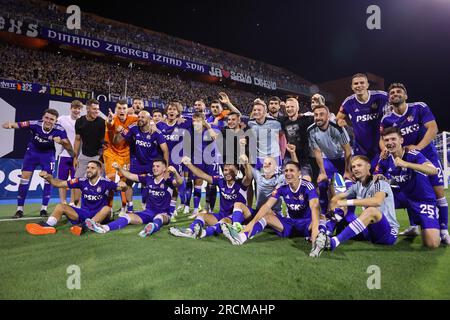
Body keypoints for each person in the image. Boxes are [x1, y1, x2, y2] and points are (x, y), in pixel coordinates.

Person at [380, 83, 448, 243]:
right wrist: (384, 149)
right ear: (389, 99)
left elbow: (433, 128)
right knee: (408, 189)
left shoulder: (419, 107)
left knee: (439, 194)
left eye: (399, 91)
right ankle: (413, 226)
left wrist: (417, 148)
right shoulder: (387, 118)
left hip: (428, 157)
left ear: (406, 95)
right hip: (405, 159)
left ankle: (444, 229)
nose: (395, 94)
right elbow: (382, 139)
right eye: (392, 93)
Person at [310, 155, 400, 257]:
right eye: (353, 167)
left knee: (371, 210)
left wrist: (347, 203)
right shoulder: (358, 186)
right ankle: (325, 234)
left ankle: (333, 242)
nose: (356, 169)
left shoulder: (379, 181)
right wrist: (332, 210)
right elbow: (336, 199)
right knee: (343, 208)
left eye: (359, 165)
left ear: (368, 166)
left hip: (387, 234)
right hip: (369, 232)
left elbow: (377, 201)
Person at [221, 161, 320, 249]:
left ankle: (323, 239)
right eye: (286, 171)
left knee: (322, 219)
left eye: (291, 171)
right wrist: (252, 223)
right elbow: (267, 205)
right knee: (266, 216)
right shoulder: (282, 187)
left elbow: (314, 207)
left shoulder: (307, 186)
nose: (288, 173)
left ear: (299, 173)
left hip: (307, 223)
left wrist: (315, 228)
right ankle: (241, 238)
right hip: (290, 222)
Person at [375, 127, 441, 248]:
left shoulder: (413, 154)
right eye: (386, 140)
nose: (390, 142)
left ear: (401, 140)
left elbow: (433, 170)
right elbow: (375, 176)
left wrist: (406, 164)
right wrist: (379, 176)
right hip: (401, 197)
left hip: (421, 198)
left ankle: (428, 221)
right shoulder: (384, 158)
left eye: (393, 139)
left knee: (432, 243)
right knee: (374, 200)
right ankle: (383, 230)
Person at [2, 109, 74, 218]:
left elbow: (68, 146)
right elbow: (20, 124)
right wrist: (10, 125)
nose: (48, 121)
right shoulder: (35, 124)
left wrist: (63, 143)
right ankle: (19, 209)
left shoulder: (60, 130)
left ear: (55, 121)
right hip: (32, 153)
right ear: (43, 117)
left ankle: (44, 209)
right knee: (24, 179)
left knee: (48, 179)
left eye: (52, 119)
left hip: (48, 155)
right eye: (47, 118)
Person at [85, 159, 184, 237]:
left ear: (164, 169)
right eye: (153, 166)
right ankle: (104, 228)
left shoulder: (169, 181)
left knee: (159, 218)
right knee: (127, 216)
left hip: (164, 214)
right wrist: (119, 169)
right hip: (148, 213)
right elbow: (131, 176)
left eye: (158, 166)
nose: (154, 168)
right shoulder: (148, 178)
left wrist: (175, 173)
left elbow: (179, 182)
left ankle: (151, 228)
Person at [25, 161, 127, 236]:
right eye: (88, 167)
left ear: (99, 170)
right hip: (85, 213)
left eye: (92, 168)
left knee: (107, 209)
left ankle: (84, 227)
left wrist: (123, 185)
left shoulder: (106, 182)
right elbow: (60, 183)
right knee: (61, 206)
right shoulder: (82, 181)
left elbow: (121, 187)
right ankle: (47, 225)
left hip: (101, 216)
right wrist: (48, 177)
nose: (88, 170)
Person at [169, 155, 251, 239]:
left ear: (236, 171)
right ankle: (189, 231)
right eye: (225, 170)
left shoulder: (241, 183)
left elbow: (249, 177)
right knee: (201, 215)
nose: (227, 172)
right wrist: (189, 164)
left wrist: (246, 164)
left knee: (223, 222)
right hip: (221, 215)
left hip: (235, 218)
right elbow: (202, 175)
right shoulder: (220, 181)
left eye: (231, 170)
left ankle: (203, 233)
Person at [115, 110, 169, 210]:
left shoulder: (156, 132)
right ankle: (129, 207)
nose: (140, 119)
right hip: (137, 161)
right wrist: (119, 131)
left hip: (151, 163)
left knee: (148, 184)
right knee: (128, 182)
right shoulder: (134, 127)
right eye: (139, 117)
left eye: (143, 117)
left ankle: (145, 206)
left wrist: (166, 168)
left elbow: (165, 150)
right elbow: (122, 137)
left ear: (149, 119)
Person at [307, 104, 353, 216]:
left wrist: (347, 170)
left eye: (321, 114)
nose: (318, 117)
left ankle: (349, 216)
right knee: (322, 184)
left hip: (343, 159)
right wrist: (322, 172)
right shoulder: (311, 130)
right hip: (328, 159)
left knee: (348, 186)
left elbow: (348, 150)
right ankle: (324, 215)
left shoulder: (337, 127)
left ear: (328, 116)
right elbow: (317, 152)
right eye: (316, 115)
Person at [336, 73, 389, 168]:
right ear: (352, 87)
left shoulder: (381, 96)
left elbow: (397, 103)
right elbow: (338, 118)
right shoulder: (348, 102)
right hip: (360, 148)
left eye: (362, 83)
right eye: (356, 84)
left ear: (367, 85)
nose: (359, 86)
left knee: (381, 176)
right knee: (363, 177)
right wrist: (341, 122)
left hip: (381, 145)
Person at [103, 100, 138, 213]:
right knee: (111, 179)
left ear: (127, 109)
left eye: (124, 108)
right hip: (111, 152)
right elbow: (111, 130)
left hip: (126, 153)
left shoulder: (133, 119)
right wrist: (109, 122)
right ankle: (108, 208)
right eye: (119, 108)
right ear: (116, 109)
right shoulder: (111, 119)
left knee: (124, 181)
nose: (122, 110)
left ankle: (124, 208)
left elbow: (148, 119)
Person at [73, 99, 106, 206]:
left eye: (98, 109)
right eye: (94, 109)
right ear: (87, 109)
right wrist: (75, 157)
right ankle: (76, 205)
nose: (97, 111)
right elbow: (77, 139)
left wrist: (102, 156)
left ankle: (100, 205)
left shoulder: (102, 122)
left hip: (98, 156)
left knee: (99, 182)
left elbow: (105, 141)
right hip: (84, 156)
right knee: (77, 180)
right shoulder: (80, 122)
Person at [279, 97, 315, 181]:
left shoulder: (306, 120)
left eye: (292, 107)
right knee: (283, 181)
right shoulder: (283, 121)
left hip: (304, 159)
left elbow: (321, 115)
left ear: (298, 108)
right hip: (289, 157)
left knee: (306, 182)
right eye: (287, 107)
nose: (289, 109)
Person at [55, 100, 83, 206]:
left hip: (77, 156)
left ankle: (72, 203)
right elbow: (53, 129)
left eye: (79, 108)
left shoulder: (83, 121)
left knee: (75, 181)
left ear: (81, 110)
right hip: (63, 155)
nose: (76, 110)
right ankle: (63, 202)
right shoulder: (62, 119)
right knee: (61, 180)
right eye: (74, 108)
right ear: (70, 108)